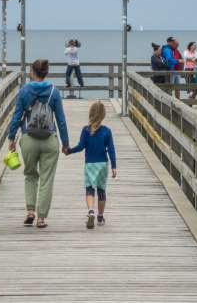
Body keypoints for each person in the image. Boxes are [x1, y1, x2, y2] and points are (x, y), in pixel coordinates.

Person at [7, 59, 69, 229]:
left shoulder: (24, 91)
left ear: (32, 72)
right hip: (49, 140)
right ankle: (41, 218)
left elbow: (16, 116)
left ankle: (30, 212)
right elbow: (61, 120)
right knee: (46, 179)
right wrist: (65, 142)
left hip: (28, 139)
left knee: (30, 175)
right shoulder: (54, 92)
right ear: (46, 72)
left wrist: (11, 138)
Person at [65, 101, 117, 229]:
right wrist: (114, 167)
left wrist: (69, 151)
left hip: (90, 165)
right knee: (101, 190)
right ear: (103, 115)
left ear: (90, 114)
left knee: (89, 188)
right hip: (103, 165)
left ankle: (90, 211)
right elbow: (111, 149)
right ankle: (100, 216)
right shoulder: (107, 131)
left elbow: (81, 146)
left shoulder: (86, 130)